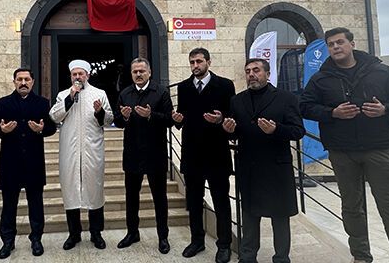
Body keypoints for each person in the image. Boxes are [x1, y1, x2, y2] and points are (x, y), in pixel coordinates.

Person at [300, 27, 389, 263]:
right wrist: (332, 113)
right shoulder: (321, 78)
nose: (335, 47)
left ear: (352, 44)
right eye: (331, 44)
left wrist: (386, 108)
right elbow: (304, 107)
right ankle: (361, 256)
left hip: (378, 148)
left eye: (340, 42)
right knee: (351, 207)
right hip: (342, 151)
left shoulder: (381, 71)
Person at [223, 58, 305, 263]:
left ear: (267, 74)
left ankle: (281, 258)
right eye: (248, 71)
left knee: (280, 216)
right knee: (249, 214)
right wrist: (228, 130)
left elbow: (298, 131)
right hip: (248, 167)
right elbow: (235, 131)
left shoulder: (286, 98)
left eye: (256, 70)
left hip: (276, 167)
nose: (251, 74)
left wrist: (276, 129)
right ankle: (248, 256)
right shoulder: (237, 101)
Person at [0, 68, 57, 259]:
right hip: (10, 163)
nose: (23, 82)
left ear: (33, 82)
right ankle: (8, 241)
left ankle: (36, 239)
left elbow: (51, 128)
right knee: (9, 205)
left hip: (34, 162)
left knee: (36, 204)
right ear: (14, 82)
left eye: (26, 79)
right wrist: (2, 130)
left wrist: (41, 129)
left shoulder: (42, 103)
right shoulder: (2, 103)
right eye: (19, 79)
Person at [173, 47, 235, 263]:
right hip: (192, 154)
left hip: (217, 153)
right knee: (193, 202)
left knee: (221, 201)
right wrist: (177, 119)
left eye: (199, 61)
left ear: (208, 62)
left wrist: (221, 119)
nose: (195, 66)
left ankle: (224, 245)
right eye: (192, 62)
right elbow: (181, 118)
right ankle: (197, 240)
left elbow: (232, 115)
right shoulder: (184, 87)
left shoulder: (225, 85)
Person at [49, 59, 114, 251]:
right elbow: (54, 116)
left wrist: (100, 112)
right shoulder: (63, 94)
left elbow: (109, 120)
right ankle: (74, 234)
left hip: (92, 151)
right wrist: (70, 97)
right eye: (74, 74)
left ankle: (96, 233)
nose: (78, 77)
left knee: (94, 192)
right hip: (70, 152)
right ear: (71, 76)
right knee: (71, 192)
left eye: (81, 74)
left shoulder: (99, 94)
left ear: (88, 75)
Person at [113, 57, 174, 254]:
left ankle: (163, 236)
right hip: (132, 153)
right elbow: (117, 122)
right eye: (135, 72)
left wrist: (151, 116)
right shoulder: (125, 94)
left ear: (149, 72)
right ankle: (132, 233)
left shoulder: (161, 92)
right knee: (131, 197)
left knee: (159, 198)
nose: (138, 74)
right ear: (131, 74)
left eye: (141, 71)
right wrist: (124, 116)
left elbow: (169, 120)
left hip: (155, 153)